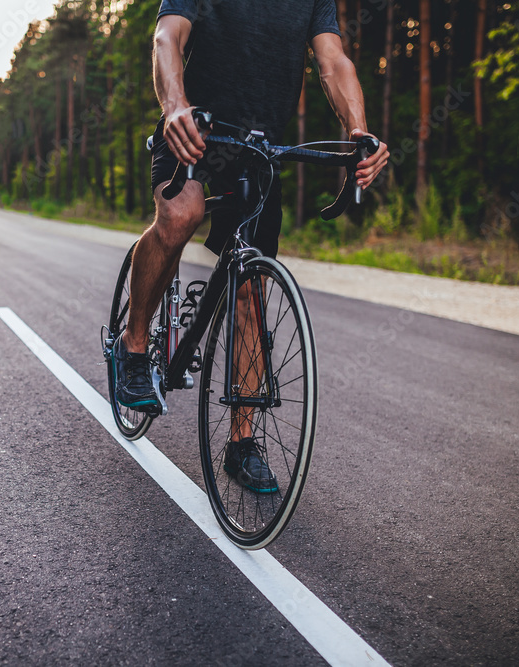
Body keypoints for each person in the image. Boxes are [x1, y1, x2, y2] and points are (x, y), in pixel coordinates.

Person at [111, 0, 390, 490]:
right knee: (180, 215)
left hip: (258, 151)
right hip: (194, 134)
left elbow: (333, 62)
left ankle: (241, 445)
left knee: (250, 289)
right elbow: (166, 39)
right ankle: (133, 349)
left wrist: (358, 130)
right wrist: (175, 106)